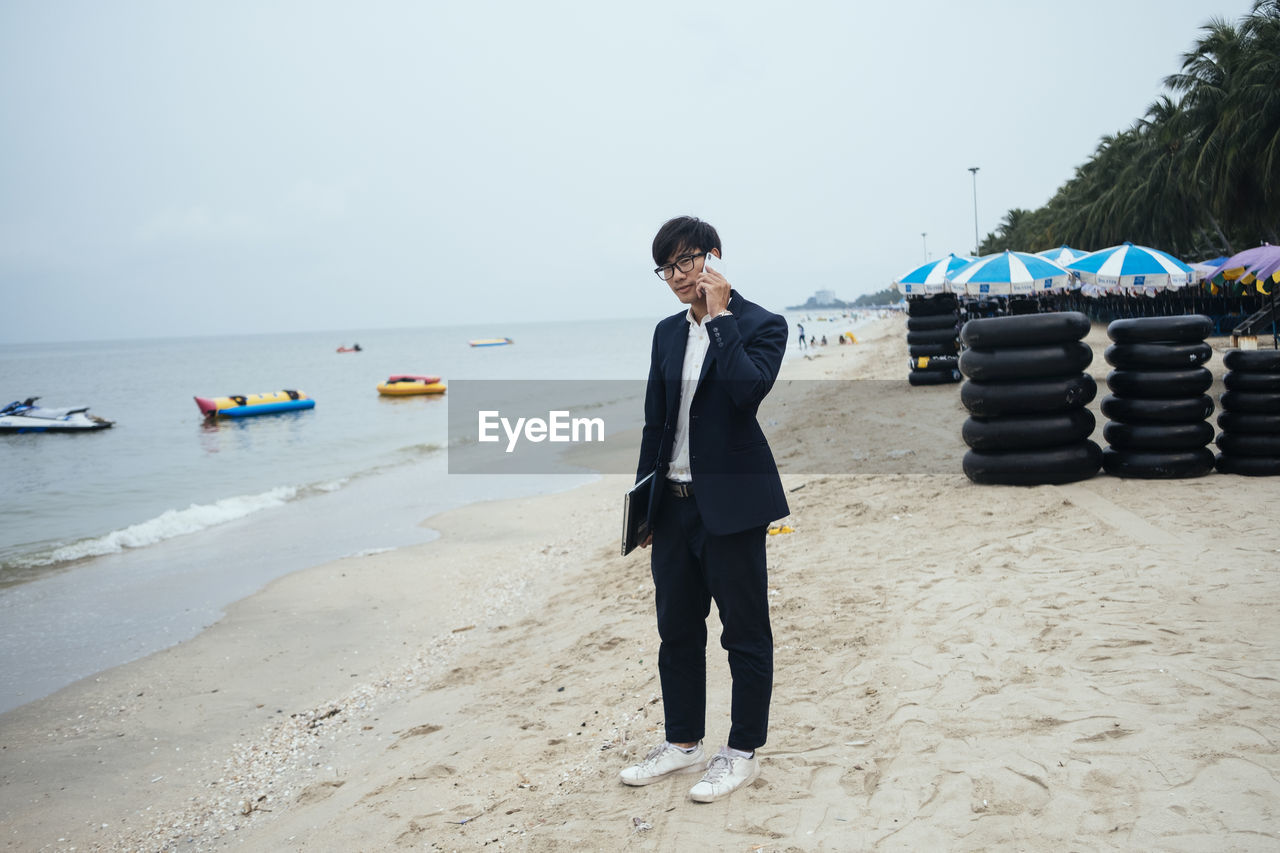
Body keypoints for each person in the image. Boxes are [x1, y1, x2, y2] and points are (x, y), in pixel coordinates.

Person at [621, 216, 789, 803]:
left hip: (734, 506)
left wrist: (718, 321)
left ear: (713, 257)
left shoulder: (762, 324)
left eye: (687, 261)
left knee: (744, 633)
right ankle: (682, 743)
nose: (676, 276)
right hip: (672, 507)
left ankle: (741, 753)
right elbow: (654, 421)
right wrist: (644, 509)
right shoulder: (666, 334)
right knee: (677, 632)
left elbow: (747, 393)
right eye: (666, 267)